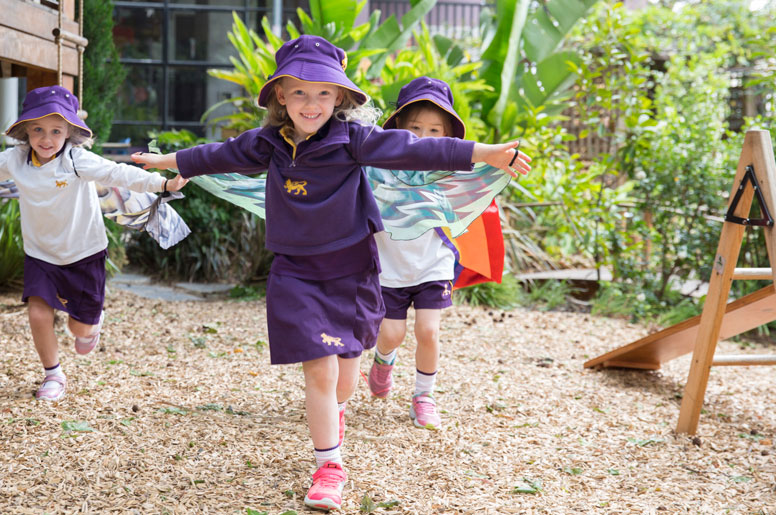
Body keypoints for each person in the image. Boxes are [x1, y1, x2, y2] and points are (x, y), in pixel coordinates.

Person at [132, 36, 531, 511]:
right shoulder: (268, 144)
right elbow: (217, 155)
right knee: (319, 376)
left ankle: (336, 417)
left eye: (324, 92)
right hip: (295, 274)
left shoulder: (356, 141)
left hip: (354, 273)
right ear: (280, 95)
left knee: (343, 382)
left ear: (340, 98)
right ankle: (329, 467)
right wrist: (165, 162)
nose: (311, 102)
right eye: (299, 91)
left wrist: (485, 153)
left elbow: (416, 150)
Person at [0, 86, 187, 403]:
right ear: (25, 130)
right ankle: (53, 374)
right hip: (40, 254)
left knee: (80, 332)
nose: (46, 138)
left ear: (69, 131)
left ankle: (90, 327)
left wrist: (163, 183)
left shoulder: (76, 160)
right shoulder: (15, 160)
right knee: (38, 314)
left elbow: (117, 173)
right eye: (37, 129)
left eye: (56, 130)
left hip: (84, 254)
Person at [366, 76, 483, 430]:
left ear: (448, 134)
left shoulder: (450, 172)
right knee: (392, 334)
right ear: (398, 126)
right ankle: (383, 362)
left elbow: (476, 186)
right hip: (389, 265)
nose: (424, 137)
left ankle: (424, 397)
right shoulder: (378, 167)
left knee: (429, 332)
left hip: (434, 262)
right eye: (416, 128)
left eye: (435, 130)